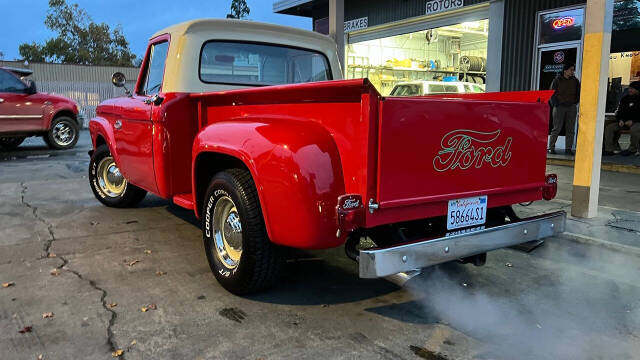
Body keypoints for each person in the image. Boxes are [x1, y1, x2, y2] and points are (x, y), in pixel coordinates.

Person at [548, 63, 581, 155]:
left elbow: (578, 93)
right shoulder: (557, 80)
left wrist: (575, 102)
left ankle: (568, 148)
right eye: (571, 70)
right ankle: (551, 147)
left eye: (573, 70)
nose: (572, 71)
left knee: (570, 128)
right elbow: (551, 93)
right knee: (557, 127)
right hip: (559, 107)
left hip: (571, 107)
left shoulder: (575, 81)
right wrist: (556, 104)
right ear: (565, 71)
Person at [603, 81, 640, 156]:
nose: (630, 90)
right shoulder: (625, 99)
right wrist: (620, 120)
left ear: (637, 90)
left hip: (636, 122)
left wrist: (633, 121)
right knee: (609, 128)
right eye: (629, 88)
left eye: (632, 88)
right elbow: (619, 111)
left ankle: (632, 149)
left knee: (634, 129)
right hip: (623, 122)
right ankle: (609, 149)